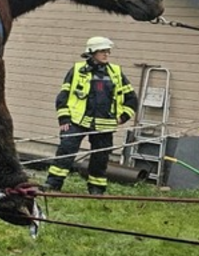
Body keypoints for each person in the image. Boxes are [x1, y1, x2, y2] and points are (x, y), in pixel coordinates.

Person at [43, 36, 138, 195]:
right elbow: (63, 96)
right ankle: (53, 185)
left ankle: (96, 189)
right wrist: (64, 119)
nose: (106, 54)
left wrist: (122, 118)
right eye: (102, 51)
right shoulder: (77, 70)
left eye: (108, 51)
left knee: (100, 158)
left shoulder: (116, 72)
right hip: (77, 120)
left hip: (104, 123)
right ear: (91, 52)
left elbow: (132, 99)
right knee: (66, 150)